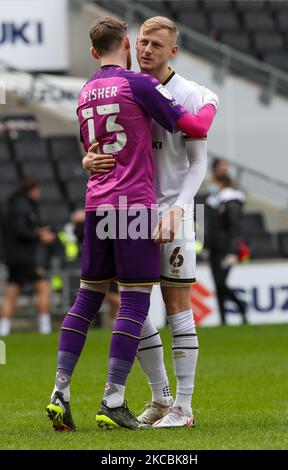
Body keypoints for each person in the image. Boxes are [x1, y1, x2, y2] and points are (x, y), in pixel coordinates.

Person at [46, 16, 216, 432]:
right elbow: (96, 149)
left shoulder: (186, 92)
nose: (147, 50)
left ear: (173, 50)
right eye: (142, 42)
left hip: (164, 209)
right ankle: (153, 396)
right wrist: (87, 159)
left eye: (156, 44)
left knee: (173, 306)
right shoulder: (136, 85)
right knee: (134, 306)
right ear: (128, 43)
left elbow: (199, 161)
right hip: (136, 208)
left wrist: (179, 206)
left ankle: (183, 405)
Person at [0, 177, 55, 337]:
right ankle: (45, 328)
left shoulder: (12, 205)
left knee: (12, 293)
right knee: (43, 288)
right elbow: (21, 230)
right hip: (24, 257)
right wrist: (39, 235)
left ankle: (4, 329)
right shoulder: (23, 207)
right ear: (32, 190)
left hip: (12, 257)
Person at [206, 175, 247, 325]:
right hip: (214, 250)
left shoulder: (231, 201)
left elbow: (235, 228)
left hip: (226, 250)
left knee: (222, 284)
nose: (212, 185)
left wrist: (232, 251)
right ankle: (223, 319)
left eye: (214, 182)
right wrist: (206, 247)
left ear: (222, 183)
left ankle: (242, 307)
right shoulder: (213, 202)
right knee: (218, 285)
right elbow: (210, 228)